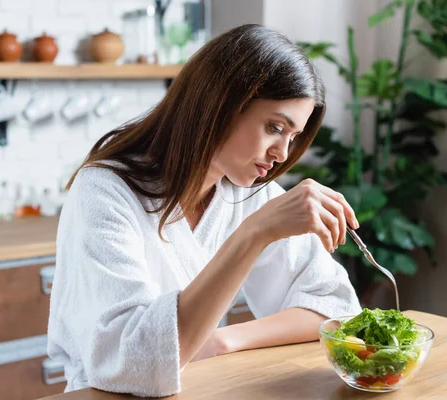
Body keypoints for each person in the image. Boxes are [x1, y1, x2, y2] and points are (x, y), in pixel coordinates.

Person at [47, 24, 362, 397]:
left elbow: (337, 311)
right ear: (221, 104)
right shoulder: (104, 190)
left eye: (292, 138)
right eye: (274, 127)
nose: (282, 154)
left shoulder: (247, 194)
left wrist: (222, 341)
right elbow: (133, 365)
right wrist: (253, 234)